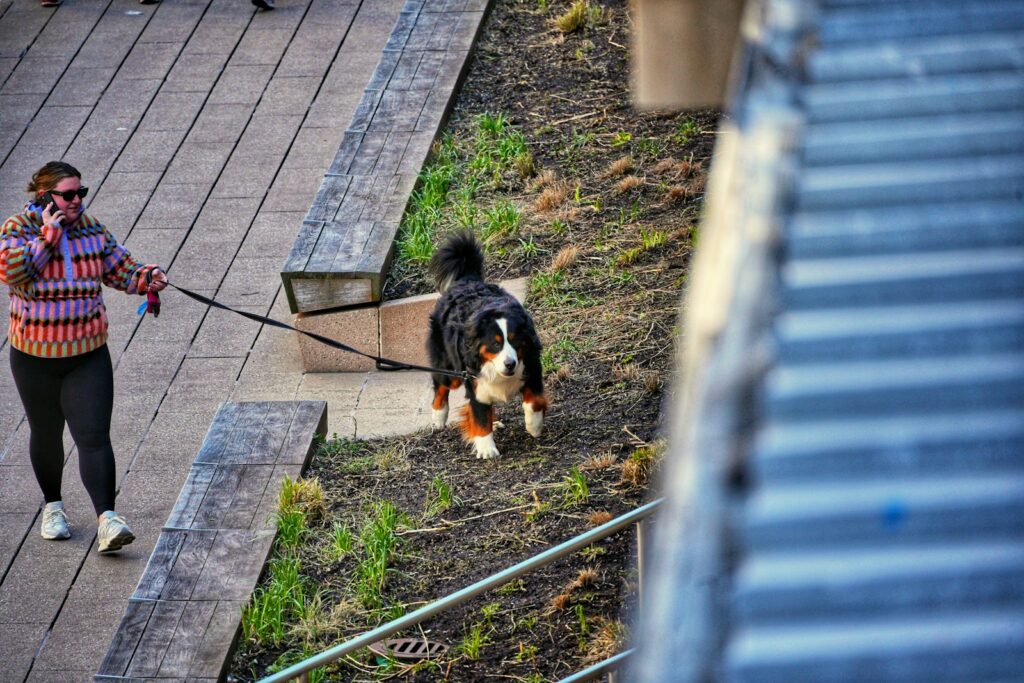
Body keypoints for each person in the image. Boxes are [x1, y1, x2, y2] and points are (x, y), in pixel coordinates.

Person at [0, 161, 167, 554]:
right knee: (46, 434)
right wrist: (49, 237)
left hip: (87, 353)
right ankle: (53, 507)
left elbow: (121, 269)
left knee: (93, 436)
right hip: (35, 356)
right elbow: (12, 272)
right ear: (44, 197)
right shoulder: (17, 229)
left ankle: (107, 519)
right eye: (68, 195)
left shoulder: (92, 229)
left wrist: (146, 278)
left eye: (81, 193)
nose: (77, 201)